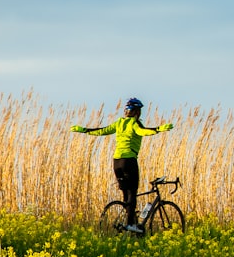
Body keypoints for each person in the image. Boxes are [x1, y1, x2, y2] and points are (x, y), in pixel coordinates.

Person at [71, 97, 174, 234]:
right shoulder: (134, 124)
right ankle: (131, 224)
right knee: (133, 191)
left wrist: (84, 130)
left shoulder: (119, 123)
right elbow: (143, 132)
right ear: (137, 112)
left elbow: (102, 130)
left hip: (116, 162)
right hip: (129, 161)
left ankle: (129, 226)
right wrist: (159, 129)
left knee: (126, 194)